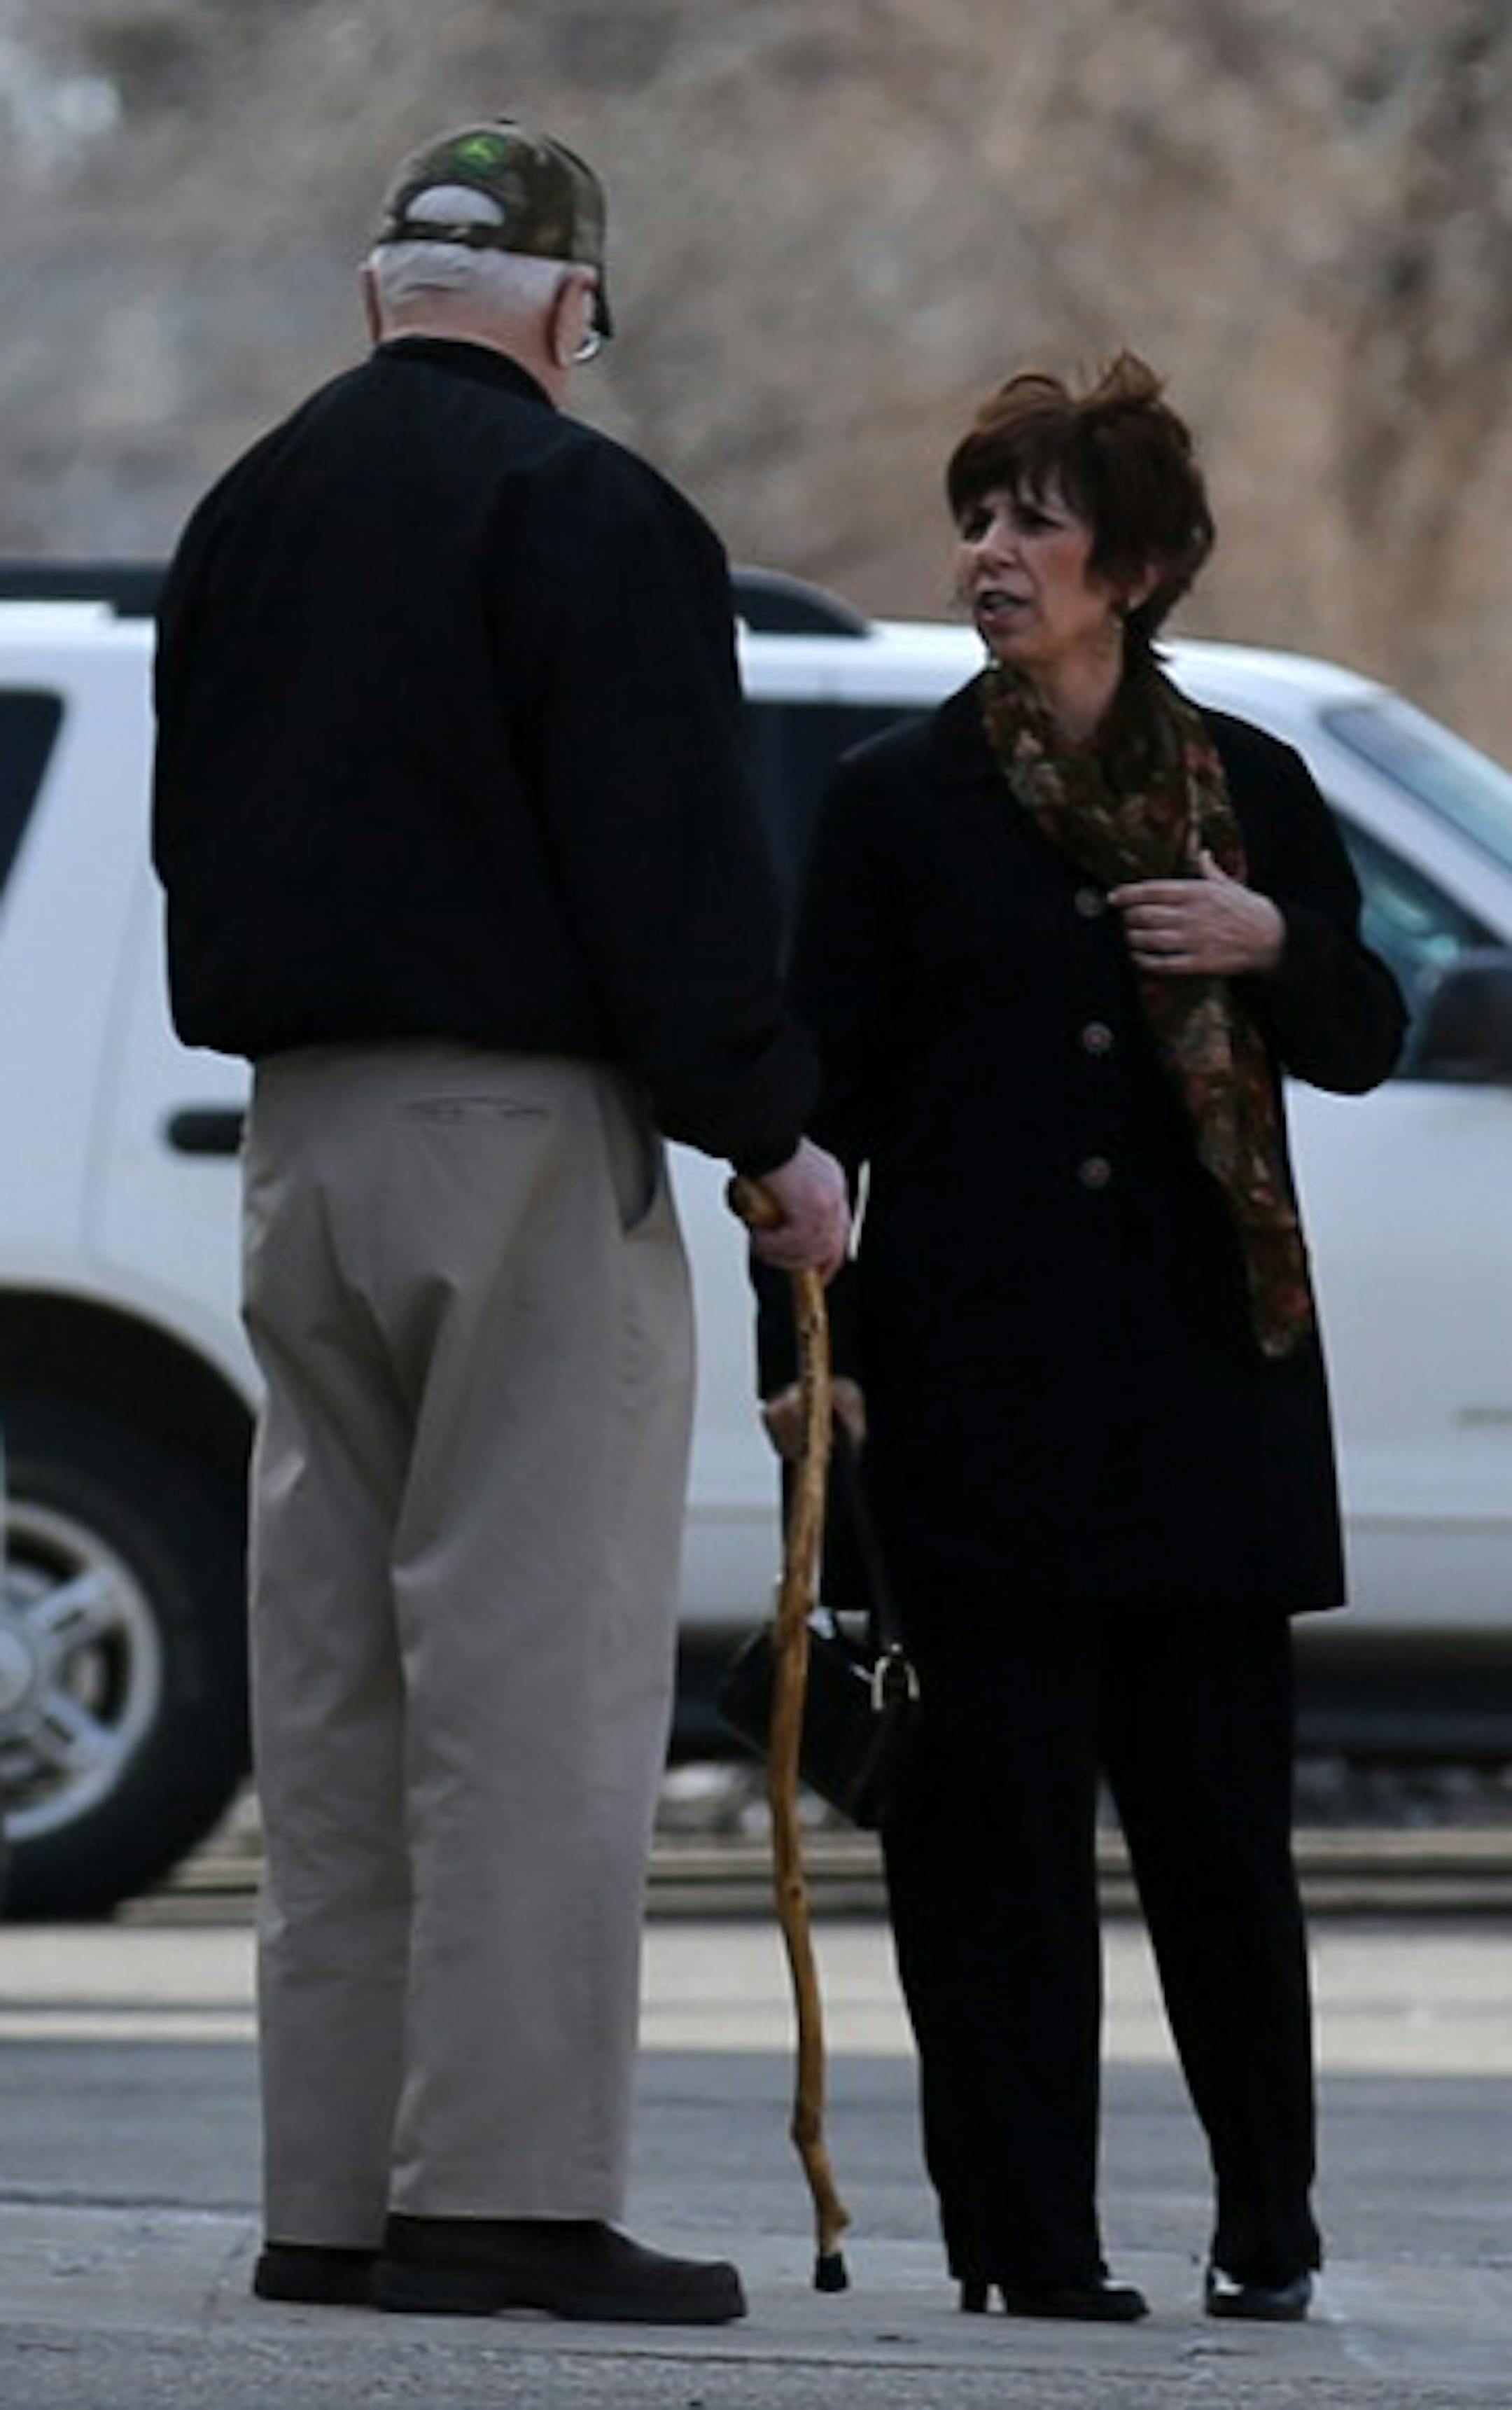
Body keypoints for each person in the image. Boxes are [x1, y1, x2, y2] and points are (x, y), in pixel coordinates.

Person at [152, 115, 848, 2327]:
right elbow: (667, 868)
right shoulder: (593, 507)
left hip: (298, 1140)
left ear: (379, 295)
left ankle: (331, 2197)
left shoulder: (242, 510)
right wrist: (772, 1134)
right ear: (570, 310)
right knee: (533, 1682)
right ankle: (513, 2192)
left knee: (339, 1690)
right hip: (522, 1136)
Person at [758, 355, 1406, 2325]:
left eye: (1035, 521)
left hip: (1211, 1400)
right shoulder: (896, 806)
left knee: (1224, 1848)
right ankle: (1025, 2242)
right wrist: (807, 1359)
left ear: (1133, 565)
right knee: (992, 1861)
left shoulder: (1251, 795)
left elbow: (1370, 1031)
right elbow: (806, 1114)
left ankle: (1266, 2219)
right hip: (973, 1406)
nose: (993, 555)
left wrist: (1270, 945)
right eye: (977, 519)